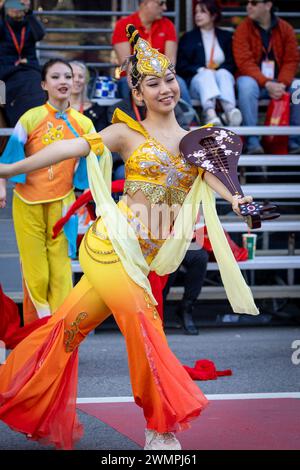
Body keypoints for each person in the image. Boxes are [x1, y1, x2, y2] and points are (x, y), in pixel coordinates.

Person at [0, 25, 258, 451]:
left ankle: (16, 393)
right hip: (110, 246)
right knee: (146, 327)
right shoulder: (125, 133)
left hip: (141, 259)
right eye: (153, 83)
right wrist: (8, 169)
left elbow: (223, 182)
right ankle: (161, 427)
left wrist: (241, 202)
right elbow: (67, 150)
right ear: (138, 94)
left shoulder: (197, 142)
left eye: (170, 79)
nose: (165, 89)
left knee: (65, 331)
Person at [0, 58, 95, 324]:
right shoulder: (30, 119)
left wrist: (85, 193)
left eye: (67, 76)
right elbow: (9, 158)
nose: (63, 82)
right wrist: (2, 187)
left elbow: (95, 161)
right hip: (27, 202)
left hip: (64, 205)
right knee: (36, 273)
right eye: (55, 77)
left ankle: (61, 332)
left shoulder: (84, 124)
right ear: (44, 84)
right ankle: (37, 331)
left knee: (61, 273)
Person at [233, 0, 300, 154]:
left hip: (281, 84)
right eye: (247, 2)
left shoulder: (286, 29)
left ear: (268, 5)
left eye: (254, 3)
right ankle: (253, 142)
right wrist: (267, 83)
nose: (249, 6)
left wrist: (282, 83)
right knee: (245, 84)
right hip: (256, 83)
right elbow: (244, 62)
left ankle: (294, 141)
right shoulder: (242, 29)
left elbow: (292, 60)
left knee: (298, 87)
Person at [112, 0, 192, 104]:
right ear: (146, 3)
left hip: (162, 74)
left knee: (179, 83)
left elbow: (170, 61)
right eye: (161, 3)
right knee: (127, 85)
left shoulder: (168, 25)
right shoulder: (123, 25)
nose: (165, 8)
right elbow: (127, 63)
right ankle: (134, 119)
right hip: (133, 75)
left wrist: (156, 77)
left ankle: (189, 119)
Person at [176, 0, 241, 126]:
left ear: (213, 15)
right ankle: (210, 113)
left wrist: (216, 71)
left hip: (222, 82)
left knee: (223, 72)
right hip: (198, 85)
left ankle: (230, 111)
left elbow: (232, 63)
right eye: (196, 12)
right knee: (206, 75)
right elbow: (181, 66)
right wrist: (201, 70)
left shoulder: (226, 37)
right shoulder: (188, 38)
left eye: (202, 12)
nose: (197, 15)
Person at [0, 0, 46, 126]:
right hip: (6, 74)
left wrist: (29, 13)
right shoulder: (3, 25)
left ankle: (37, 126)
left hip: (29, 70)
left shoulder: (29, 24)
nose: (16, 7)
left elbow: (40, 34)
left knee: (37, 91)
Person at [163, 246, 209, 335]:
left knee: (200, 257)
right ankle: (158, 311)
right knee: (168, 259)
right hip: (161, 246)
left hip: (185, 244)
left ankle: (186, 308)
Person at [70, 60, 109, 132]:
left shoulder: (98, 111)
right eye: (72, 76)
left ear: (86, 80)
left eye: (81, 76)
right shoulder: (56, 110)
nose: (76, 79)